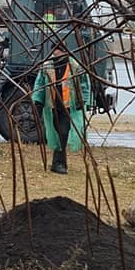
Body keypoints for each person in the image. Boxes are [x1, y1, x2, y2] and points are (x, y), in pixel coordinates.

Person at [32, 43, 91, 174]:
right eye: (55, 50)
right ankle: (59, 163)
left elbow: (84, 84)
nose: (56, 53)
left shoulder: (75, 66)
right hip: (52, 107)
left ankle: (59, 163)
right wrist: (37, 101)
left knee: (63, 133)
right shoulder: (47, 66)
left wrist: (83, 100)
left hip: (68, 106)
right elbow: (40, 84)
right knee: (56, 134)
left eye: (58, 50)